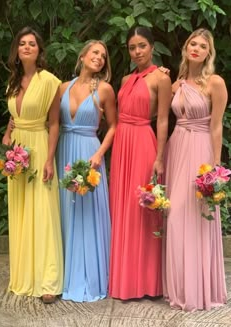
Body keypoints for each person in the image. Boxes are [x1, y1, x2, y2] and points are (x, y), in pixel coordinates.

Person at [163, 28, 227, 311]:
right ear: (186, 48)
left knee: (198, 215)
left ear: (208, 53)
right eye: (192, 43)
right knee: (175, 214)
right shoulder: (175, 85)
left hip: (201, 149)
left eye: (203, 46)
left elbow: (216, 127)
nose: (196, 48)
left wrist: (215, 168)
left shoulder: (215, 83)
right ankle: (178, 287)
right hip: (177, 147)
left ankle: (200, 289)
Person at [109, 26, 172, 299]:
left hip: (144, 143)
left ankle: (145, 282)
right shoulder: (124, 79)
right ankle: (123, 278)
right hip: (122, 143)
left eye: (142, 46)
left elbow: (163, 119)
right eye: (133, 47)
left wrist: (159, 156)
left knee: (142, 210)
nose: (137, 52)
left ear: (152, 46)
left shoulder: (161, 78)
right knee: (121, 206)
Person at [2, 26, 63, 304]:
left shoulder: (50, 80)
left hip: (38, 147)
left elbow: (53, 123)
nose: (27, 47)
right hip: (16, 151)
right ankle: (24, 273)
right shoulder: (12, 82)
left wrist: (49, 158)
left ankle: (48, 279)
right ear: (17, 50)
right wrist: (7, 136)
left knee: (42, 211)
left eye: (32, 44)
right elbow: (14, 117)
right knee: (22, 210)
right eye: (22, 43)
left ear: (39, 50)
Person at [56, 40, 117, 302]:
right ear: (82, 56)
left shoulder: (104, 90)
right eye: (95, 52)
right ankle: (65, 275)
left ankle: (91, 277)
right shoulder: (62, 87)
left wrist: (99, 154)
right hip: (65, 152)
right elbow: (51, 122)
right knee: (67, 210)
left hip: (90, 153)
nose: (99, 58)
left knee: (88, 212)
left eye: (103, 56)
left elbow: (114, 126)